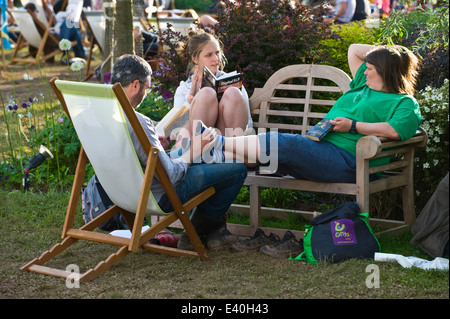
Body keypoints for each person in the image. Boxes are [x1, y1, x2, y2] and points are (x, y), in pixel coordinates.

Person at [201, 43, 422, 255]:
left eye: (371, 69)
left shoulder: (403, 103)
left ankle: (211, 143)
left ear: (386, 72)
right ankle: (203, 219)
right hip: (319, 151)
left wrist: (353, 126)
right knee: (236, 161)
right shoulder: (362, 86)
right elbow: (355, 50)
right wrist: (395, 53)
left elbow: (395, 130)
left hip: (348, 161)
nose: (365, 72)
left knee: (284, 144)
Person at [109, 54, 248, 251]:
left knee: (203, 159)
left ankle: (210, 229)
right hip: (159, 195)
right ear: (134, 85)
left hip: (122, 193)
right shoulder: (137, 121)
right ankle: (198, 231)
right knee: (237, 170)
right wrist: (194, 150)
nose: (146, 93)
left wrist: (157, 147)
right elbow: (173, 176)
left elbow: (131, 153)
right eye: (147, 88)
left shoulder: (101, 116)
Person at [174, 31, 252, 138]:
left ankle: (232, 151)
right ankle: (202, 152)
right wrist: (192, 94)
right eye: (208, 55)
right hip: (197, 143)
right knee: (207, 93)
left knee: (233, 92)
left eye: (217, 53)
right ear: (195, 58)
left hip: (229, 142)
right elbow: (176, 128)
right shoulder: (184, 88)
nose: (216, 59)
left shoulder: (232, 82)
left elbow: (248, 123)